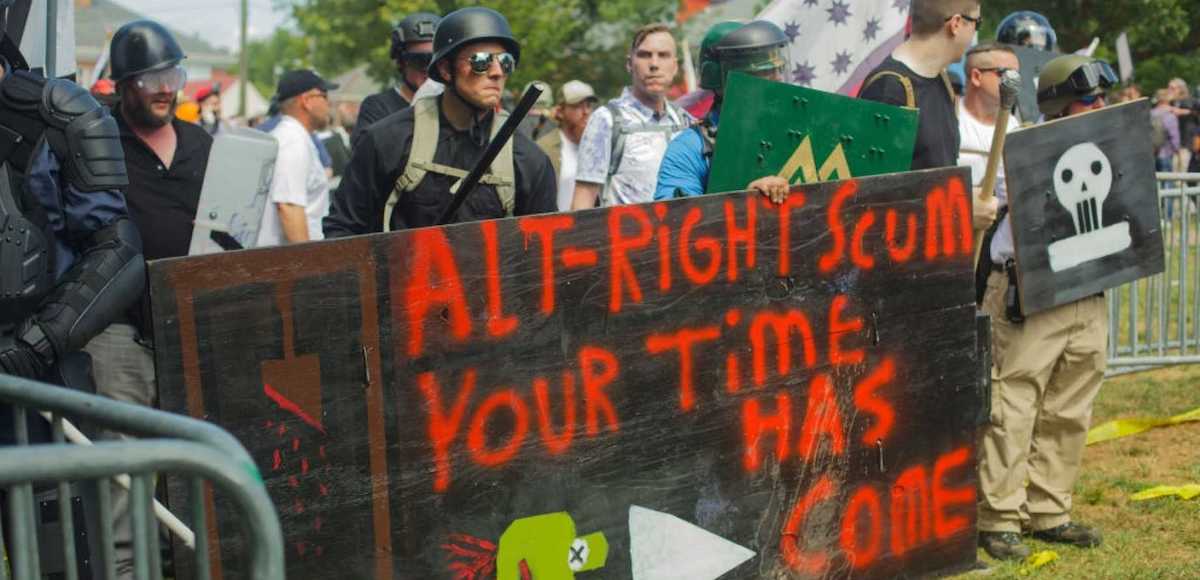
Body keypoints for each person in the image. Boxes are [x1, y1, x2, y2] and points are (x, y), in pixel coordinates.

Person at [976, 53, 1116, 562]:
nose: (1099, 106)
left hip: (1088, 288)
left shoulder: (1110, 148)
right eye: (1087, 100)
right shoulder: (1023, 149)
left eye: (1101, 98)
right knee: (1012, 403)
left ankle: (1049, 510)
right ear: (1060, 107)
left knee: (1070, 405)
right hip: (1028, 291)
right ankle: (999, 517)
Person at [323, 6, 556, 236]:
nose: (497, 72)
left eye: (505, 61)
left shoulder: (529, 160)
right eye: (481, 60)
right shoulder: (387, 141)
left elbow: (544, 252)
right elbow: (343, 232)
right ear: (445, 69)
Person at [653, 20, 791, 205]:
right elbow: (676, 222)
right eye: (763, 72)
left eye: (777, 69)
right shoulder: (690, 148)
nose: (777, 78)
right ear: (723, 79)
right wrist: (744, 202)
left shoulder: (796, 130)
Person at [571, 23, 691, 209]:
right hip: (625, 236)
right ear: (629, 64)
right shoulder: (606, 121)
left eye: (663, 55)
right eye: (644, 55)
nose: (654, 64)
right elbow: (583, 201)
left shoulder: (685, 121)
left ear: (675, 66)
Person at [858, 0, 979, 170]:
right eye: (977, 23)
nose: (974, 34)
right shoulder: (888, 89)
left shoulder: (942, 80)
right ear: (956, 24)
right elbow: (872, 187)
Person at [258, 70, 337, 246]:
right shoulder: (293, 141)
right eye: (324, 96)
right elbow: (289, 208)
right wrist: (308, 267)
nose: (329, 103)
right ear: (307, 101)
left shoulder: (295, 137)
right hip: (291, 262)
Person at [352, 12, 440, 146]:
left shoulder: (457, 108)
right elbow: (366, 157)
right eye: (419, 60)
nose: (428, 69)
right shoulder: (377, 107)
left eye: (435, 60)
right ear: (400, 62)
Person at [956, 43, 1017, 234]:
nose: (1014, 81)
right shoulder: (948, 120)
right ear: (976, 76)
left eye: (1017, 75)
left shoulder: (1014, 128)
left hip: (993, 237)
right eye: (1005, 74)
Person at [536, 80, 597, 211]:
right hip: (558, 227)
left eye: (588, 105)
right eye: (577, 106)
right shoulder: (543, 149)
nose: (585, 111)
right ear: (560, 111)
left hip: (593, 228)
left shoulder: (599, 147)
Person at [1152, 89, 1181, 173]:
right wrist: (1177, 150)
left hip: (1153, 153)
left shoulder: (1151, 113)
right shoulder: (1169, 115)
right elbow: (1174, 135)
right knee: (1168, 181)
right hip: (1166, 152)